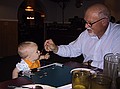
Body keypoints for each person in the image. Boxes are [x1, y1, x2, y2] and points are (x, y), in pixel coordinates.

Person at [44, 3, 120, 69]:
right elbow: (72, 49)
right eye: (85, 22)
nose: (86, 26)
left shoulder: (117, 33)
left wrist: (91, 63)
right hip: (87, 73)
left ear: (104, 22)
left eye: (90, 23)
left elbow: (116, 64)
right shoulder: (85, 34)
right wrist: (56, 48)